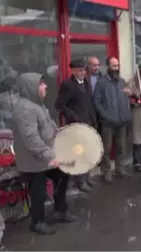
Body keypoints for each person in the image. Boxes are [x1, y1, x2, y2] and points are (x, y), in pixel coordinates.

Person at [12, 73, 76, 235]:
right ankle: (37, 222)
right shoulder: (25, 109)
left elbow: (48, 125)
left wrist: (60, 131)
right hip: (33, 161)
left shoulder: (38, 105)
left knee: (63, 174)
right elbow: (31, 140)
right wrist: (52, 156)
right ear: (31, 87)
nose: (45, 86)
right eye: (41, 84)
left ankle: (60, 210)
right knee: (38, 192)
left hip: (46, 156)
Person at [55, 59, 98, 193]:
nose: (82, 73)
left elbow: (89, 103)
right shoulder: (68, 85)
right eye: (80, 70)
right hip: (76, 125)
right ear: (73, 70)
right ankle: (79, 180)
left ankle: (86, 177)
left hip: (89, 123)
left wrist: (93, 120)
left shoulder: (86, 83)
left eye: (84, 70)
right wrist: (73, 116)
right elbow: (59, 105)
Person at [94, 57, 132, 183]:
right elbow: (97, 102)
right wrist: (105, 115)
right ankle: (106, 172)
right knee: (107, 148)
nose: (116, 68)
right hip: (108, 122)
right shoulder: (101, 83)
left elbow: (127, 97)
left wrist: (126, 113)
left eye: (117, 65)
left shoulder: (122, 82)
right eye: (114, 66)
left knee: (121, 147)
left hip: (121, 121)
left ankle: (119, 169)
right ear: (108, 67)